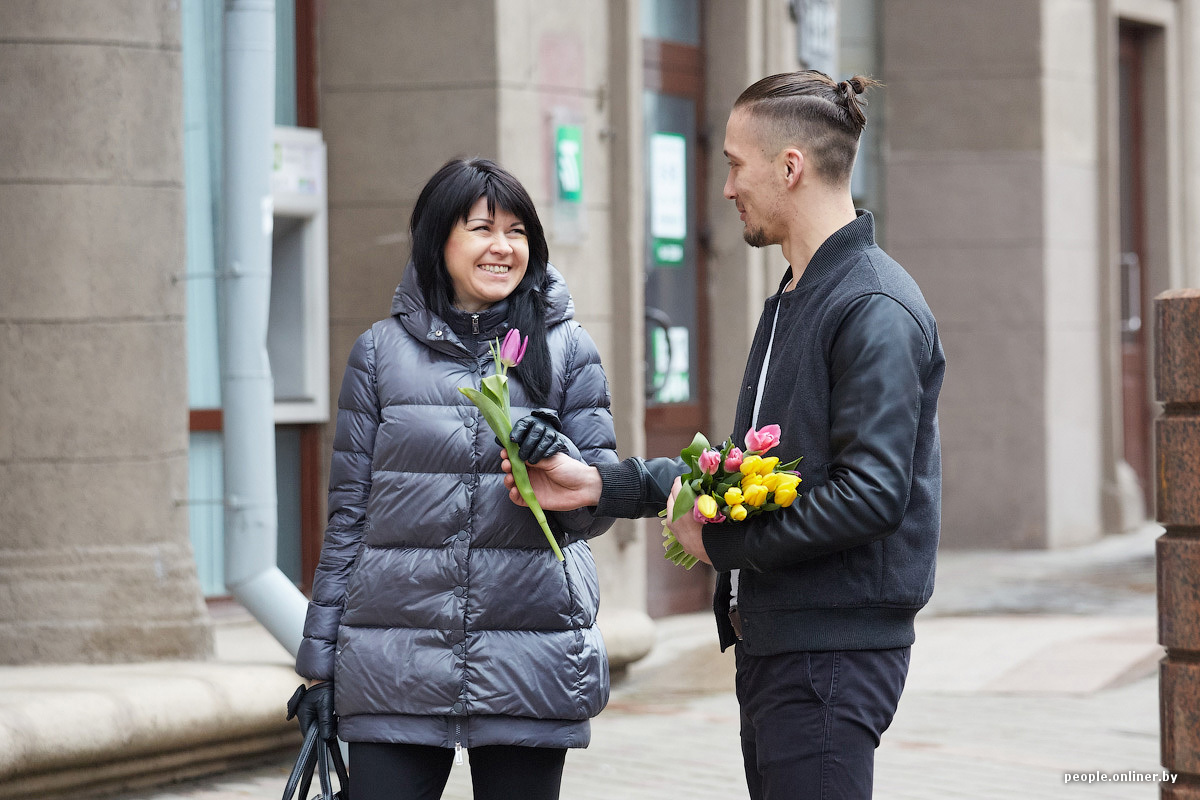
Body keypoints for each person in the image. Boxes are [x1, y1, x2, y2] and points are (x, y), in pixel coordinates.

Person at [504, 71, 946, 800]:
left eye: (736, 164)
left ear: (791, 167)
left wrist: (724, 545)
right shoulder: (799, 294)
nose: (727, 188)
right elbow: (735, 474)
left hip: (829, 655)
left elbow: (872, 495)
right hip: (781, 645)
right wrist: (603, 483)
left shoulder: (872, 305)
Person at [291, 157, 619, 800]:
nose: (503, 247)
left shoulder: (567, 349)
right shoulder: (379, 355)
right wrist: (318, 667)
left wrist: (558, 465)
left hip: (529, 649)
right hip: (395, 656)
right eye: (481, 229)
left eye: (518, 231)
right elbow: (350, 517)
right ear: (437, 239)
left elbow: (599, 506)